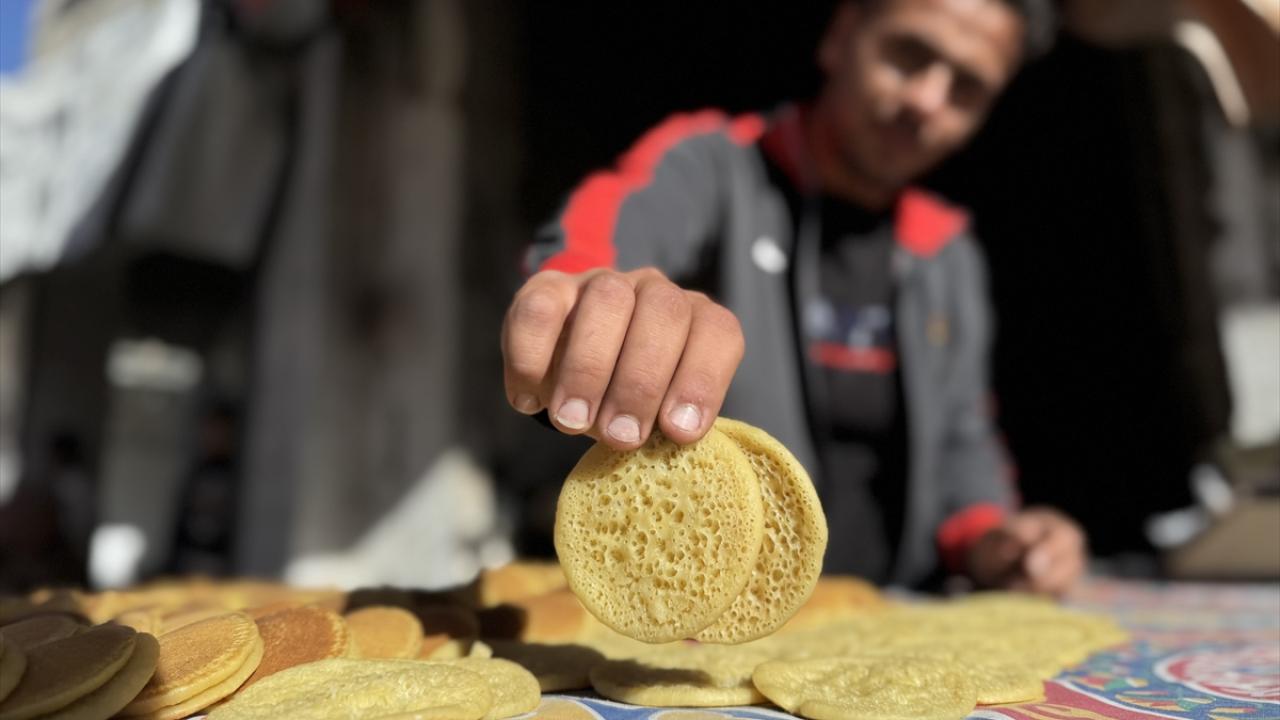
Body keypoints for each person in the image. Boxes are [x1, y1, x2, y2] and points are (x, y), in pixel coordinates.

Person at [502, 0, 1085, 594]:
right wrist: (593, 300)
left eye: (967, 89)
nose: (927, 101)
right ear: (841, 36)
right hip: (697, 614)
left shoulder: (948, 251)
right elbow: (591, 251)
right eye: (909, 55)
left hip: (887, 624)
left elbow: (964, 434)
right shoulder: (715, 168)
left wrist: (998, 541)